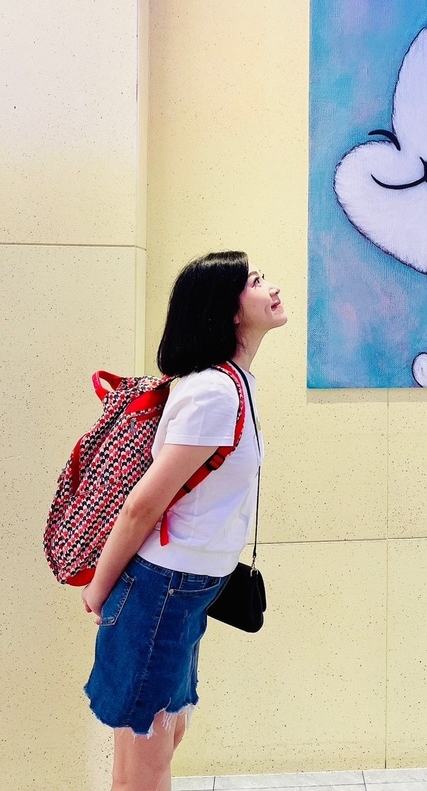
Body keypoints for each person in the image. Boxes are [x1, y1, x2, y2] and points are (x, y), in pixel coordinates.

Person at [82, 250, 286, 791]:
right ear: (229, 309)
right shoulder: (214, 392)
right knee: (149, 756)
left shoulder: (234, 382)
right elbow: (143, 505)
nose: (271, 287)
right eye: (256, 281)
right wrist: (99, 588)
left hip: (186, 586)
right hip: (162, 586)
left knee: (153, 741)